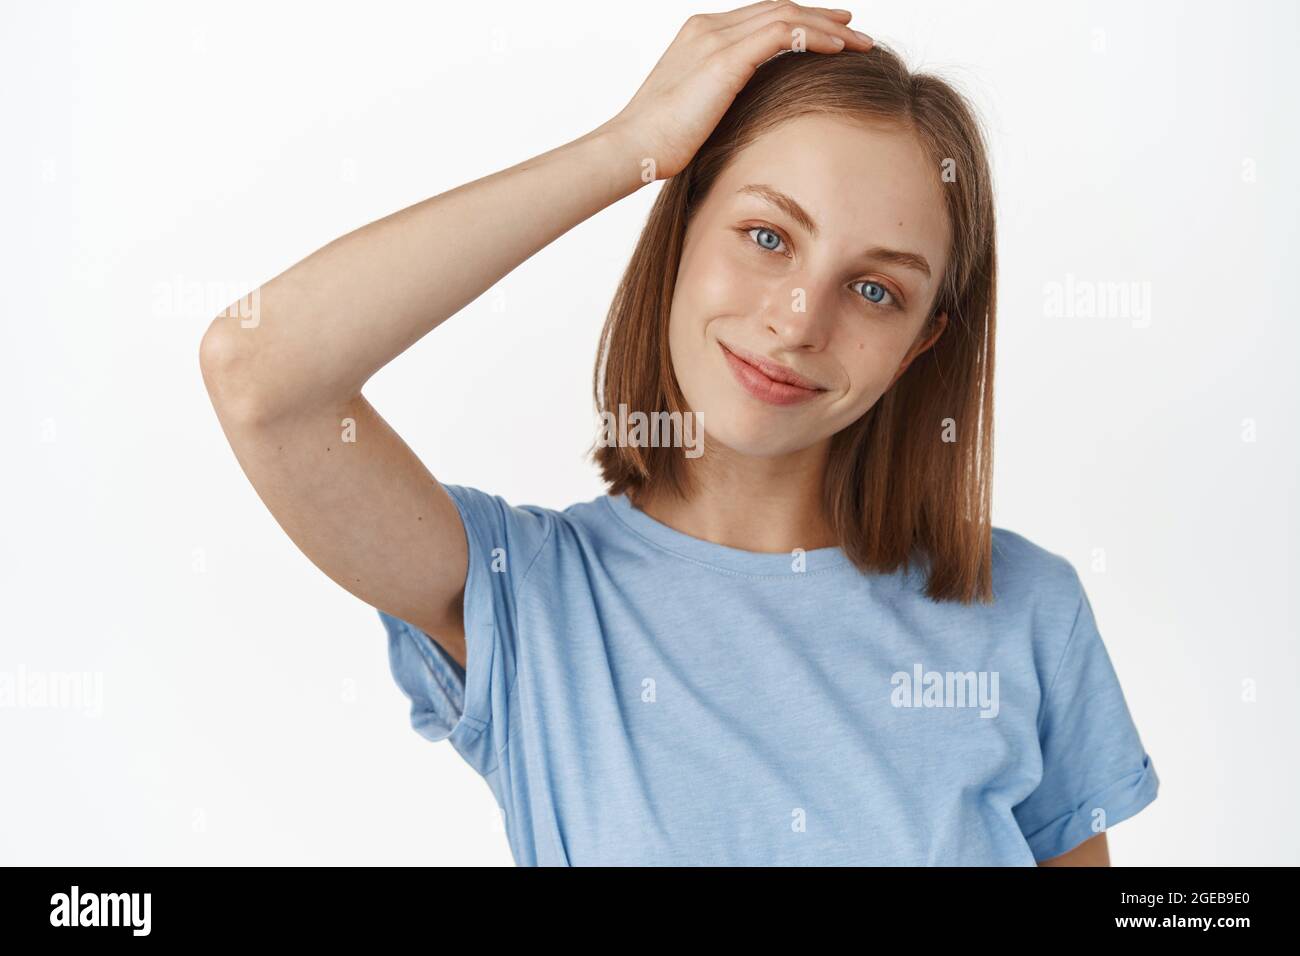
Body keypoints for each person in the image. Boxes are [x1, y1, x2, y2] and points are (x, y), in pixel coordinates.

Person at [200, 1, 1158, 866]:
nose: (797, 318)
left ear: (918, 348)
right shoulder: (525, 598)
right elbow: (261, 373)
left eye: (876, 290)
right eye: (768, 236)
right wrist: (629, 146)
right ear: (682, 227)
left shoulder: (1027, 609)